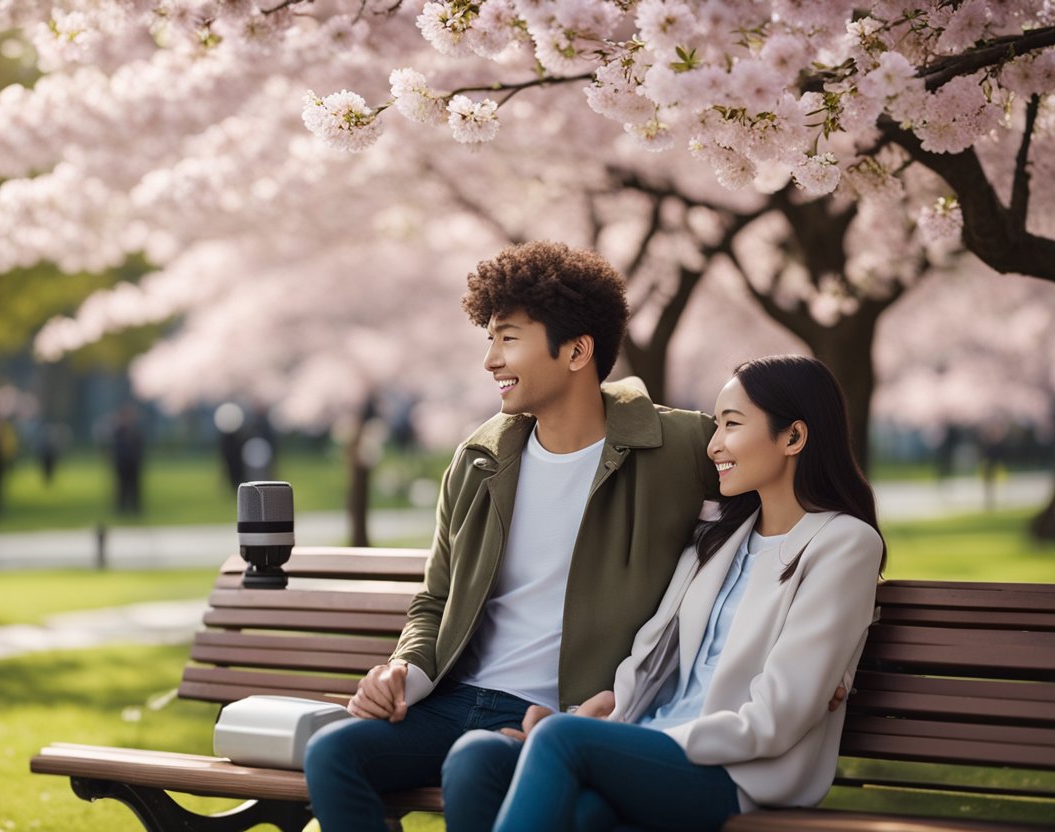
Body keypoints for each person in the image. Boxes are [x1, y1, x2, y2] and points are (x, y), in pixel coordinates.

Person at [303, 241, 722, 832]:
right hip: (454, 698)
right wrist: (405, 670)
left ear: (577, 351)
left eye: (508, 338)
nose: (490, 360)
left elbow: (784, 526)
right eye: (489, 339)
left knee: (476, 768)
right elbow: (435, 598)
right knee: (333, 751)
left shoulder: (679, 446)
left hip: (560, 714)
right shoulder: (480, 458)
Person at [447, 354, 885, 832]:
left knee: (559, 742)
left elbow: (778, 717)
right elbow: (650, 654)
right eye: (715, 426)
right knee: (480, 756)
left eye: (732, 425)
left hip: (737, 775)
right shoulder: (718, 536)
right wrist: (607, 726)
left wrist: (619, 739)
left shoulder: (844, 545)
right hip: (653, 747)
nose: (714, 445)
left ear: (793, 437)